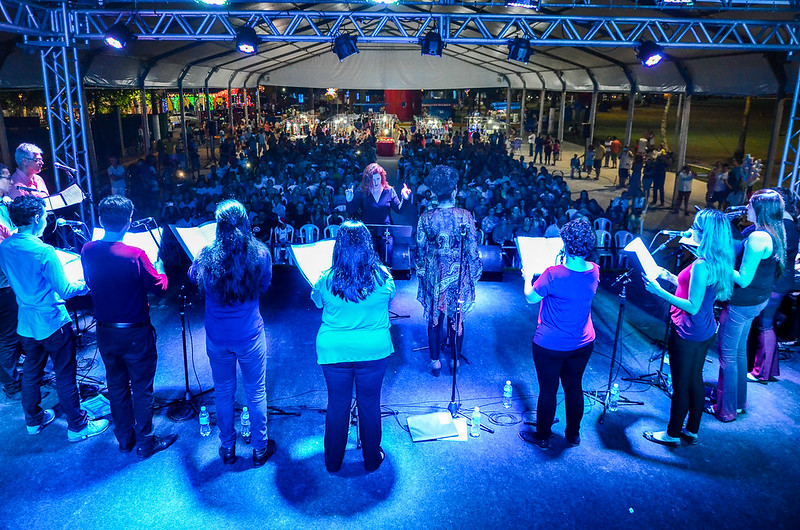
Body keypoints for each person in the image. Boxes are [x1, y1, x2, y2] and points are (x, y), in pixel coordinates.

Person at [0, 195, 109, 441]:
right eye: (45, 216)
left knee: (31, 371)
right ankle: (78, 427)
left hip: (26, 321)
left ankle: (33, 421)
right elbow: (67, 290)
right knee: (64, 373)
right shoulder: (43, 250)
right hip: (51, 321)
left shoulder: (4, 247)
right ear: (36, 218)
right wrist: (85, 280)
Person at [81, 195, 176, 458]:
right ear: (128, 223)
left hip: (105, 331)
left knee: (116, 385)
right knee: (142, 387)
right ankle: (145, 443)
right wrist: (160, 268)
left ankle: (124, 439)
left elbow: (90, 282)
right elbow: (158, 287)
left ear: (100, 220)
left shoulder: (88, 249)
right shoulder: (135, 254)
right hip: (134, 331)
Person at [190, 200, 276, 467]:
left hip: (217, 337)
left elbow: (194, 277)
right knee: (256, 391)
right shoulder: (259, 253)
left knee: (224, 391)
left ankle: (227, 448)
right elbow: (265, 284)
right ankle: (260, 449)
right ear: (245, 221)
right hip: (249, 336)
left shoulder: (207, 254)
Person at [642, 209, 734, 446]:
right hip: (704, 330)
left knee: (681, 385)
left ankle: (672, 434)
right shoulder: (717, 260)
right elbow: (699, 292)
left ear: (706, 234)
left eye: (696, 226)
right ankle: (691, 429)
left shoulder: (702, 265)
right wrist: (671, 278)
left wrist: (659, 291)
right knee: (695, 379)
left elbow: (693, 305)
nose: (691, 228)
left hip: (689, 330)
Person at [311, 221, 395, 472]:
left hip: (334, 351)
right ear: (368, 246)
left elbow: (316, 302)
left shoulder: (326, 279)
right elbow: (388, 299)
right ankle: (371, 459)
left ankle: (332, 461)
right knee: (370, 403)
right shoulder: (384, 277)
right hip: (373, 351)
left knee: (337, 403)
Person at [521, 219, 600, 449]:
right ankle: (573, 435)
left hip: (550, 344)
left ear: (565, 244)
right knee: (574, 386)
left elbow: (530, 298)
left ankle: (543, 437)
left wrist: (528, 277)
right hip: (583, 342)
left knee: (548, 390)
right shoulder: (594, 270)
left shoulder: (552, 274)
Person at [710, 189, 787, 422]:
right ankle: (739, 403)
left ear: (761, 209)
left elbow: (743, 278)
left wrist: (718, 262)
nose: (746, 208)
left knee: (728, 357)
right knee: (739, 353)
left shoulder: (757, 238)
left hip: (741, 304)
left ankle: (726, 410)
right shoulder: (773, 232)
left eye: (751, 204)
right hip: (756, 301)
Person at [415, 165, 483, 377]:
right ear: (454, 190)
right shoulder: (465, 215)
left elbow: (420, 249)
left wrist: (424, 273)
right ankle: (454, 360)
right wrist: (474, 272)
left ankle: (435, 362)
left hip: (436, 273)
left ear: (434, 193)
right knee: (457, 314)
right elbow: (473, 248)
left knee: (434, 317)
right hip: (458, 272)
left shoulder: (426, 218)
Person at [748, 189, 799, 383]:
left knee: (765, 325)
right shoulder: (786, 223)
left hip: (777, 284)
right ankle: (767, 369)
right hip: (780, 282)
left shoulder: (785, 226)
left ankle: (761, 371)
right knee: (765, 325)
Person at [345, 162, 411, 265]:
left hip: (386, 233)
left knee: (387, 261)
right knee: (368, 263)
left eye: (378, 179)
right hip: (367, 233)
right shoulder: (362, 191)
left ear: (382, 178)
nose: (376, 182)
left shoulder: (389, 191)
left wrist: (405, 199)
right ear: (367, 179)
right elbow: (351, 210)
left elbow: (399, 210)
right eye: (373, 180)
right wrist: (349, 200)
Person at [0, 163, 22, 400]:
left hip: (6, 279)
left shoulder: (3, 205)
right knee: (6, 335)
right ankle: (12, 385)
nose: (11, 182)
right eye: (6, 178)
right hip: (3, 282)